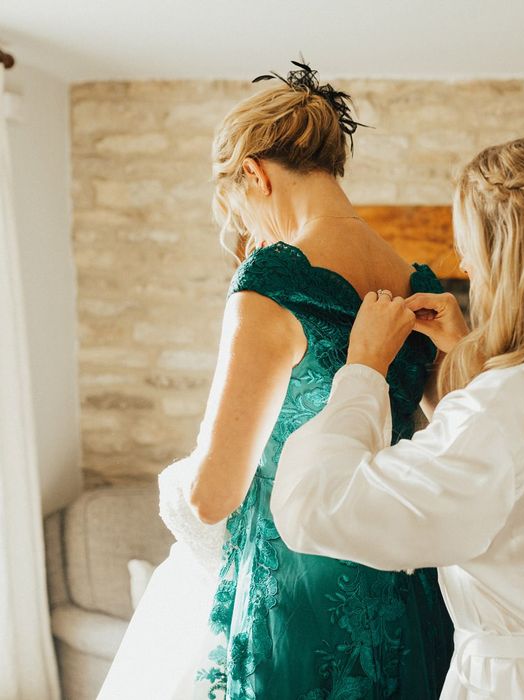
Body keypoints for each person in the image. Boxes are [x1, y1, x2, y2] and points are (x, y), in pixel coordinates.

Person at [271, 129, 524, 699]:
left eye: (468, 242)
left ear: (507, 251)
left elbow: (318, 506)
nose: (463, 263)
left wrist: (364, 369)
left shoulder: (507, 404)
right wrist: (468, 355)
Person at [98, 61, 453, 699]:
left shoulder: (275, 281)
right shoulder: (419, 285)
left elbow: (212, 497)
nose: (252, 233)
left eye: (238, 207)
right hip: (407, 582)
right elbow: (457, 432)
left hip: (300, 593)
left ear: (255, 175)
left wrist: (179, 482)